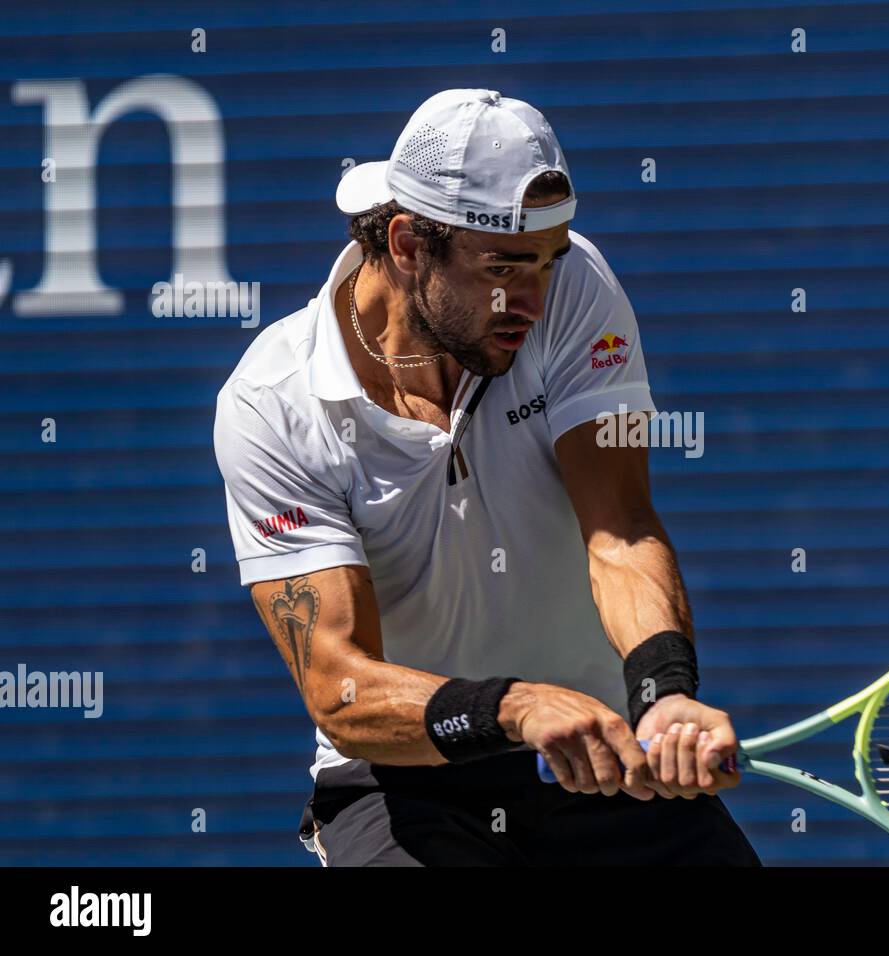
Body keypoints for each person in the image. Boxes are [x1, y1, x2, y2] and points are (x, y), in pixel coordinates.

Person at [213, 88, 760, 865]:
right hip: (407, 781)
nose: (534, 300)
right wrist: (515, 707)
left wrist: (663, 691)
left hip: (602, 758)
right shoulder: (272, 405)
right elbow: (339, 686)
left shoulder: (577, 293)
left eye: (549, 261)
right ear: (407, 244)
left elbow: (621, 529)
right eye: (503, 267)